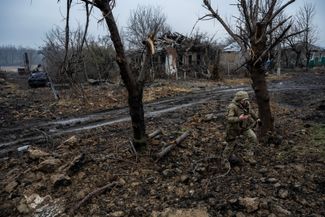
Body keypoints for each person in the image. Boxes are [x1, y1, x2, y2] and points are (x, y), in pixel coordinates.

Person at [223, 90, 260, 165]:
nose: (246, 101)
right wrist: (239, 118)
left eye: (247, 99)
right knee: (230, 145)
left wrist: (256, 118)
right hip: (233, 128)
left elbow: (251, 111)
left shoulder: (247, 104)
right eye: (244, 100)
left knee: (253, 138)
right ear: (239, 100)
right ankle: (225, 160)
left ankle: (248, 155)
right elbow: (228, 119)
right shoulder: (232, 106)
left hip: (245, 126)